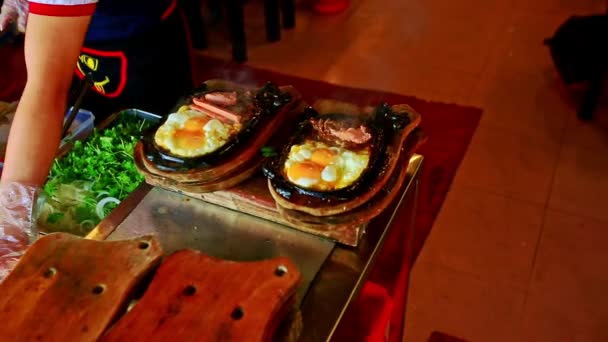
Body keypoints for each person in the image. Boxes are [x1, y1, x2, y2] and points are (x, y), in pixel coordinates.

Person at [0, 0, 193, 280]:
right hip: (86, 41)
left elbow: (46, 88)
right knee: (101, 123)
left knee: (169, 149)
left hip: (144, 44)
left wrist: (10, 216)